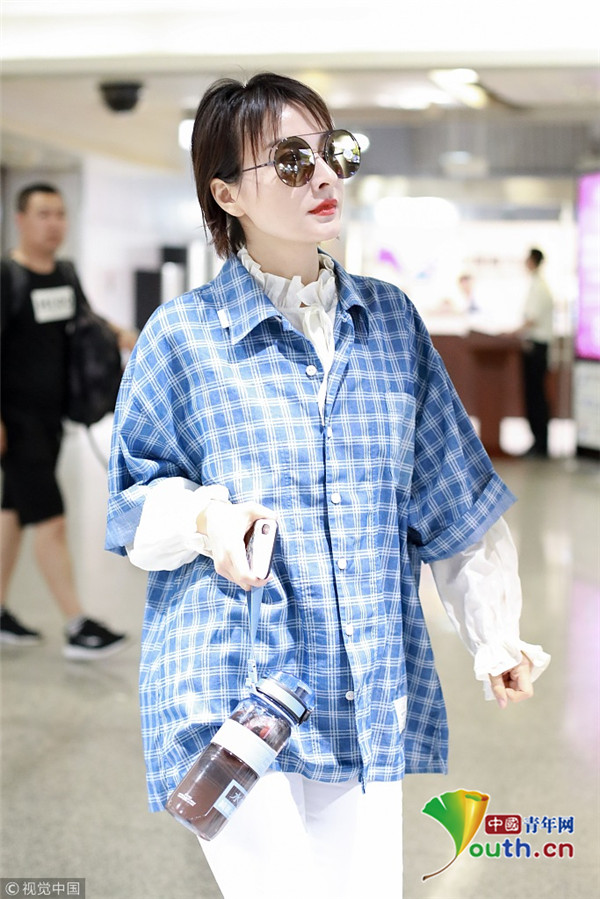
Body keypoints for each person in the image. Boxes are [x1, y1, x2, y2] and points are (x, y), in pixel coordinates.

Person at [105, 73, 550, 899]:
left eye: (333, 151)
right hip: (229, 682)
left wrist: (494, 631)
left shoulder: (391, 323)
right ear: (227, 193)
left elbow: (450, 494)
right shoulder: (183, 336)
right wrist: (205, 518)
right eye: (290, 160)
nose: (323, 175)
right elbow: (132, 504)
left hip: (363, 679)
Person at [1, 182, 134, 658]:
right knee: (51, 520)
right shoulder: (7, 277)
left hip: (51, 419)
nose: (54, 223)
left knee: (13, 514)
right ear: (20, 219)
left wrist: (124, 335)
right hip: (17, 423)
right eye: (43, 214)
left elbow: (86, 319)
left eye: (60, 214)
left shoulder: (64, 273)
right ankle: (78, 625)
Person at [514, 248, 554, 457]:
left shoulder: (539, 287)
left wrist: (512, 333)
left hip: (537, 348)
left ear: (532, 260)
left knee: (537, 397)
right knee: (533, 396)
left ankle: (541, 443)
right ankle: (538, 442)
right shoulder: (536, 285)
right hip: (533, 347)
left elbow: (532, 319)